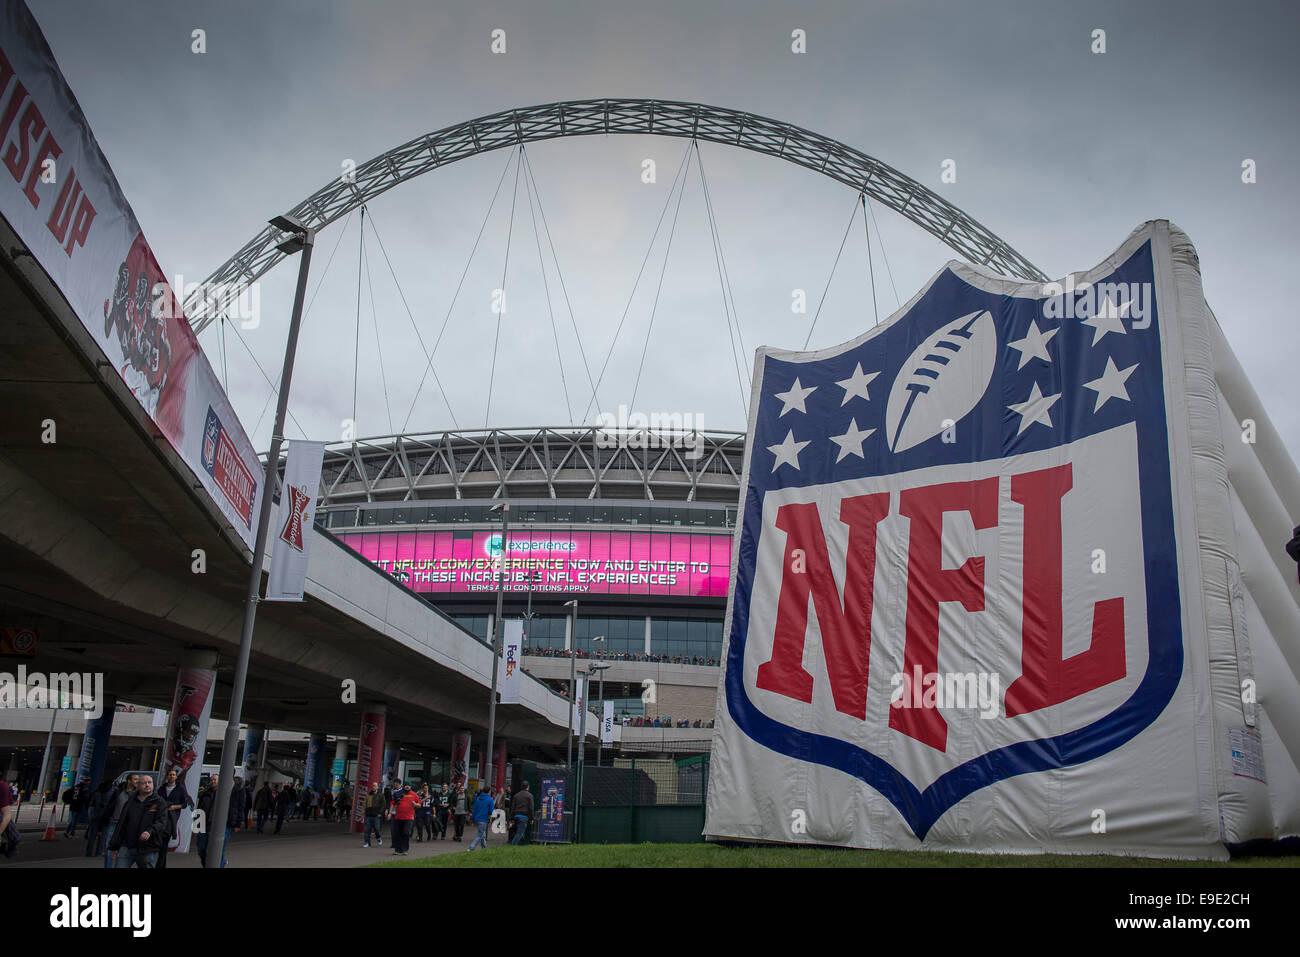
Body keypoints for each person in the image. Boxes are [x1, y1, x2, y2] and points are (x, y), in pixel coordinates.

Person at [109, 774, 168, 868]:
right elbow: (122, 824)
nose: (147, 785)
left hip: (147, 848)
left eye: (149, 782)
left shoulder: (159, 802)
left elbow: (161, 822)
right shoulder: (131, 801)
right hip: (127, 846)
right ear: (138, 785)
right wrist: (115, 846)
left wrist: (150, 831)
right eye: (144, 783)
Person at [156, 766, 193, 870]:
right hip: (160, 817)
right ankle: (162, 865)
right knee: (159, 843)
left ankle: (159, 865)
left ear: (176, 777)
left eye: (173, 775)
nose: (171, 776)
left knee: (164, 843)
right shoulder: (162, 788)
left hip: (171, 818)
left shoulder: (180, 789)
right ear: (167, 776)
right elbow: (156, 800)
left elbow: (185, 804)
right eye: (170, 775)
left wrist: (174, 807)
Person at [103, 773, 138, 868]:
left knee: (124, 850)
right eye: (135, 779)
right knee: (109, 848)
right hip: (114, 823)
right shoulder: (118, 792)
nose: (137, 781)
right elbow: (110, 806)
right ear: (129, 781)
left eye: (138, 779)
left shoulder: (137, 795)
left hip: (127, 826)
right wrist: (104, 821)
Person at [83, 781, 113, 857]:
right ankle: (99, 852)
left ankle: (89, 852)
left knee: (92, 835)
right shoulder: (110, 795)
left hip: (94, 816)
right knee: (103, 836)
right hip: (105, 816)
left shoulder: (95, 793)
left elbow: (89, 803)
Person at [389, 782, 419, 855]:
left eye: (408, 786)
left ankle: (405, 849)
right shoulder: (398, 793)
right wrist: (390, 813)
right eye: (406, 786)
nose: (407, 787)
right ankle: (397, 850)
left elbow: (419, 804)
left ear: (411, 787)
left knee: (405, 833)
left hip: (409, 818)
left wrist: (415, 804)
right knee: (397, 834)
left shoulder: (414, 794)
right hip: (398, 817)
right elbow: (392, 804)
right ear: (403, 786)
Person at [466, 785, 495, 851]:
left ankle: (484, 848)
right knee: (480, 835)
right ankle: (471, 848)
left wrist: (473, 820)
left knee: (482, 834)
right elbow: (491, 811)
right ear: (489, 791)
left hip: (477, 818)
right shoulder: (490, 799)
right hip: (483, 819)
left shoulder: (478, 798)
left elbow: (474, 810)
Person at [510, 781, 534, 846]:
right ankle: (512, 845)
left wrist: (511, 819)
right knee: (520, 833)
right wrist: (532, 818)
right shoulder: (530, 796)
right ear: (528, 787)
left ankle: (522, 845)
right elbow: (531, 808)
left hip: (516, 816)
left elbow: (513, 808)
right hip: (524, 816)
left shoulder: (516, 795)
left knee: (521, 832)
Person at [362, 782, 385, 847]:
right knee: (367, 830)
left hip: (376, 815)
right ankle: (367, 843)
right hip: (368, 815)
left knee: (377, 829)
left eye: (375, 786)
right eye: (372, 786)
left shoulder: (381, 795)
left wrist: (380, 813)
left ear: (377, 787)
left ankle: (378, 837)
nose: (373, 787)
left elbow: (383, 805)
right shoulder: (368, 795)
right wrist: (363, 813)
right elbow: (364, 804)